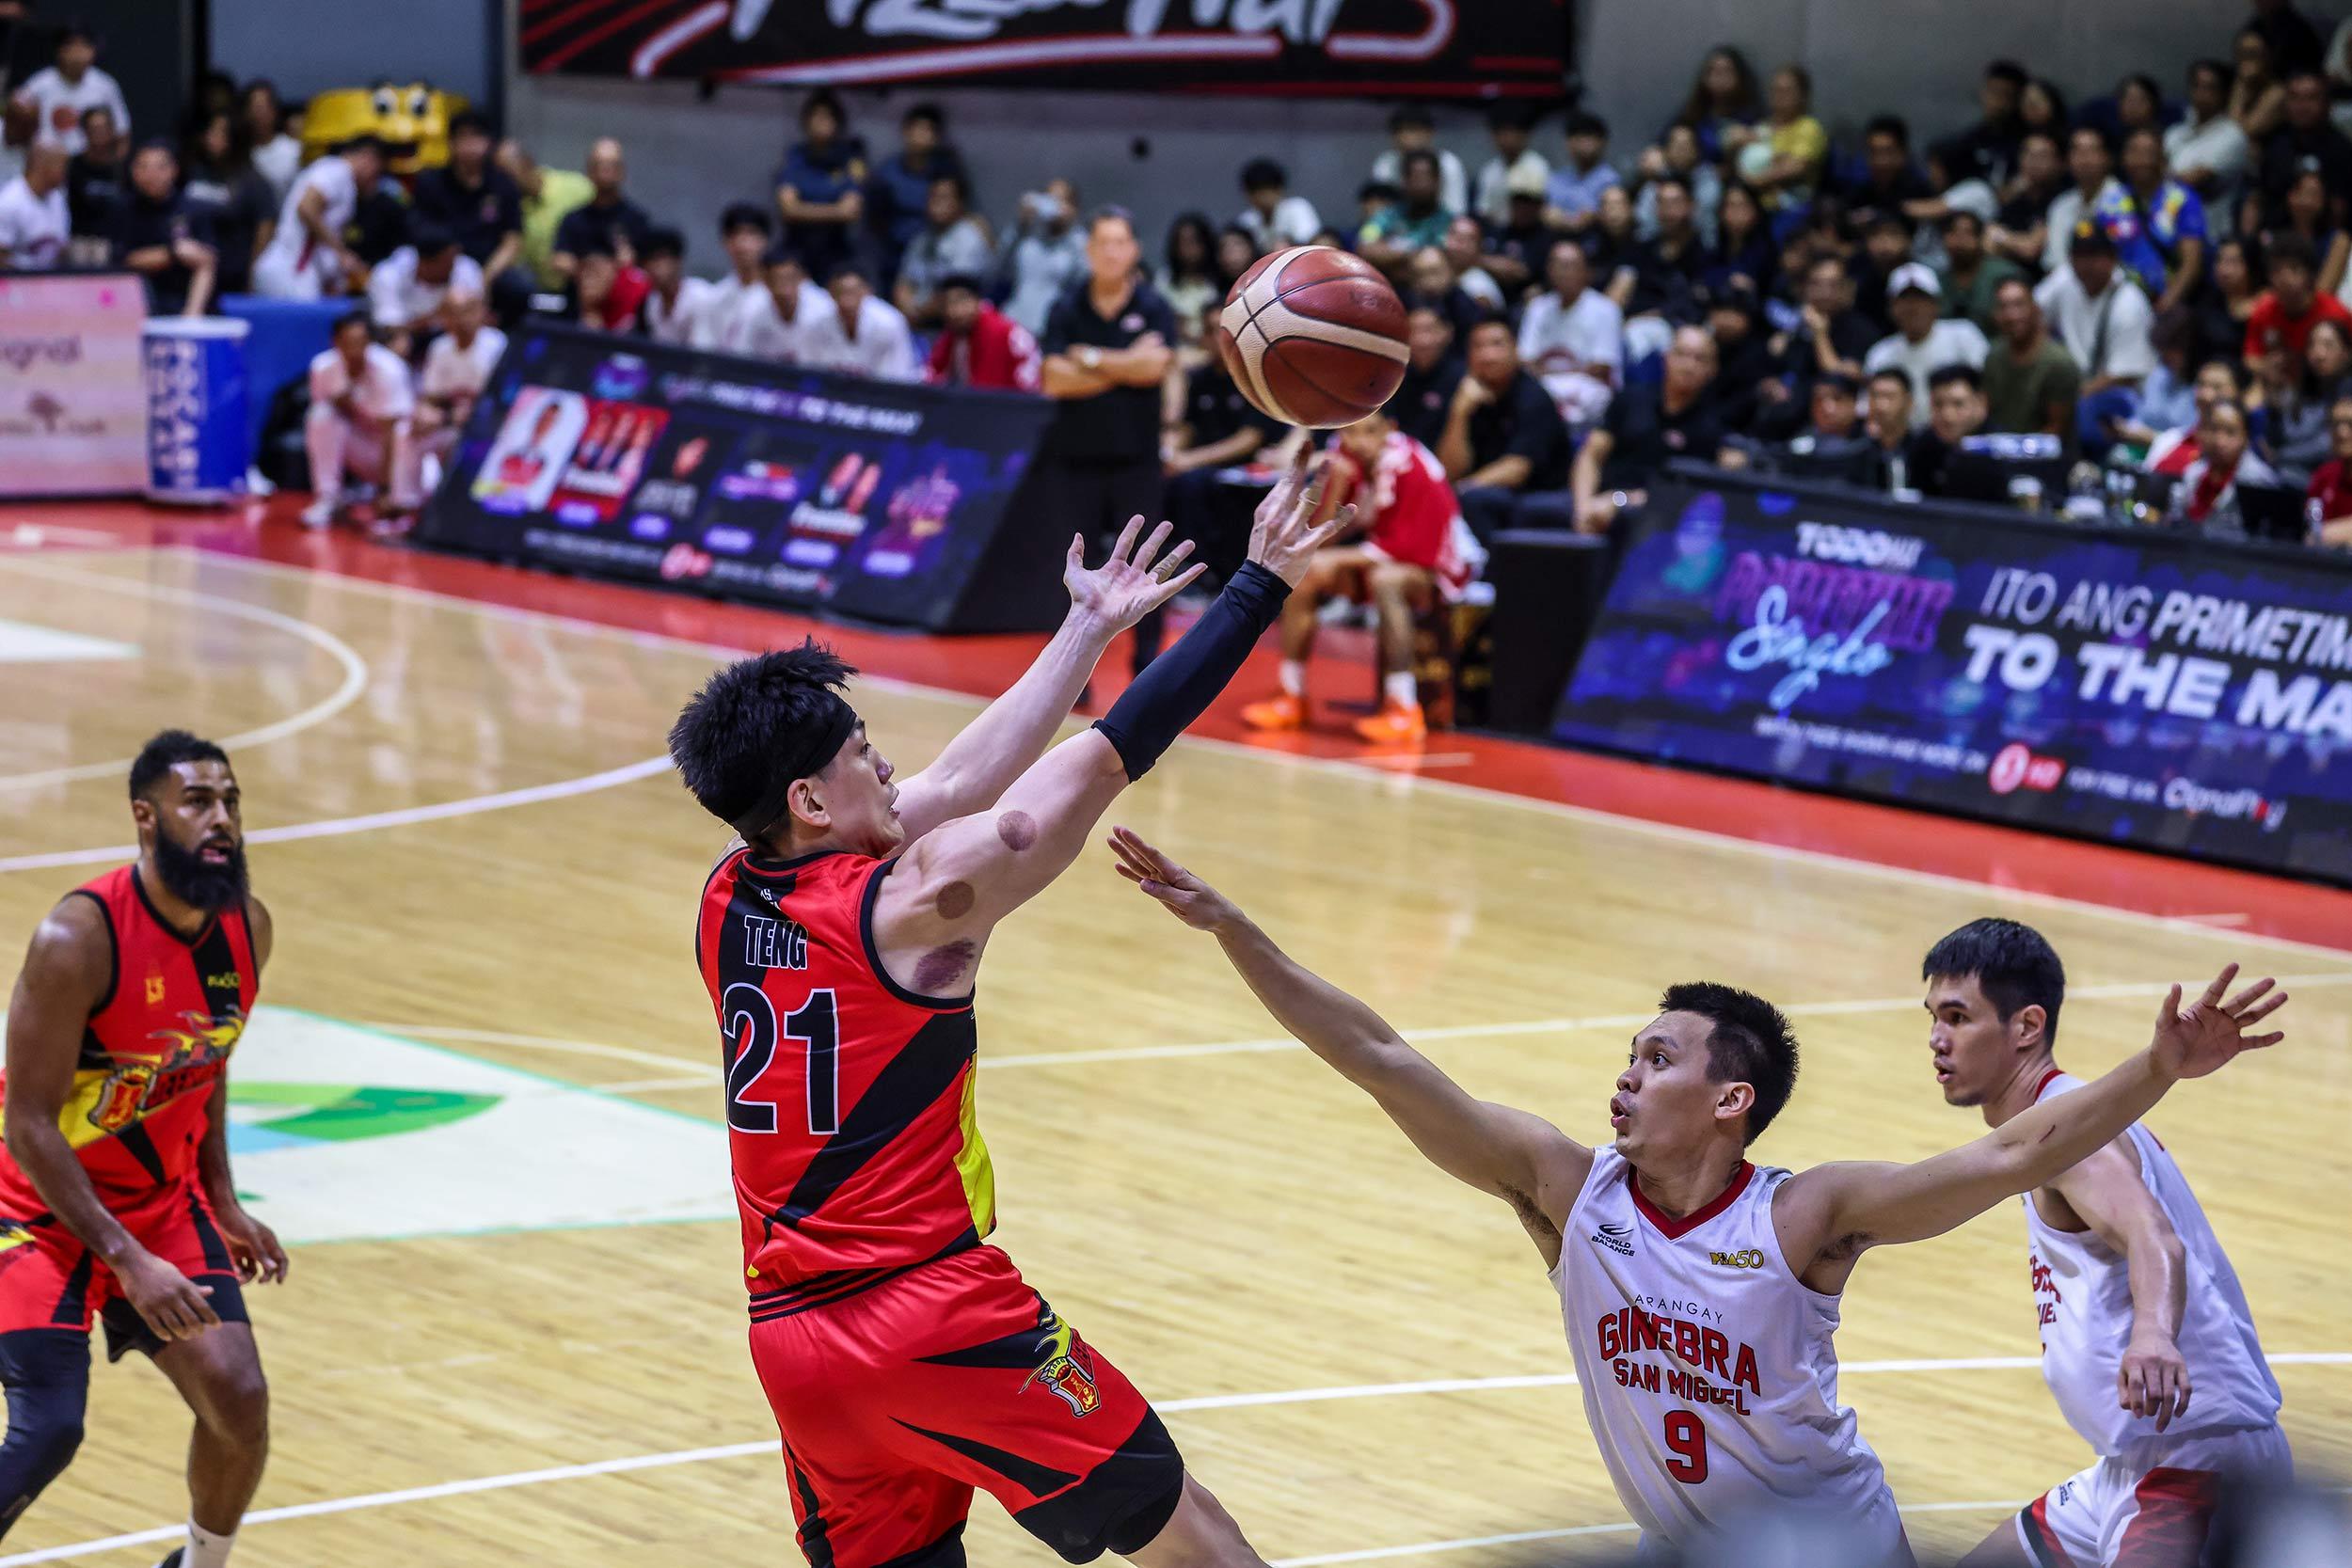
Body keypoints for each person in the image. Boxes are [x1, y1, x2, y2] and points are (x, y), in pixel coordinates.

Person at [1104, 831, 2287, 1566]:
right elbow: (1379, 1056)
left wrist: (2154, 1068)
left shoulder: (1803, 1215)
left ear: (1731, 1099)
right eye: (1628, 1052)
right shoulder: (1569, 1191)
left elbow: (2006, 1159)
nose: (1626, 1072)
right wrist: (1235, 931)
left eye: (1658, 1056)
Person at [667, 456, 1342, 1568]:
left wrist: (1086, 628)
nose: (888, 762)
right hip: (933, 1312)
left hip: (793, 1343)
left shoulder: (726, 892)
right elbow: (1102, 761)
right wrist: (1255, 587)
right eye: (860, 753)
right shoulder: (912, 905)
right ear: (809, 798)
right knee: (1204, 1547)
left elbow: (954, 780)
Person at [1920, 921, 2291, 1568]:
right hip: (2127, 1469)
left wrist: (2153, 1334)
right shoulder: (2060, 1118)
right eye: (1933, 1017)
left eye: (1958, 1017)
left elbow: (2152, 1234)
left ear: (2027, 1026)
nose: (1936, 1038)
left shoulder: (2067, 1134)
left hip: (2196, 1464)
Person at [0, 731, 287, 1562]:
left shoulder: (247, 929)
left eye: (230, 801)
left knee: (238, 1398)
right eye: (197, 801)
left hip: (157, 1205)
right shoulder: (77, 938)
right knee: (49, 1429)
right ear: (145, 816)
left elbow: (208, 1061)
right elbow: (28, 1123)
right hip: (32, 1207)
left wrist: (223, 1198)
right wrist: (127, 1259)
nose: (221, 818)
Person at [1240, 412, 1474, 744]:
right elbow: (1318, 538)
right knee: (1307, 573)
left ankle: (1403, 708)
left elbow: (1411, 548)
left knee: (1386, 581)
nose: (1359, 441)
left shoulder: (1410, 465)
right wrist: (1337, 484)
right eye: (1350, 432)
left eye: (1369, 432)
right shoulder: (1347, 460)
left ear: (1390, 430)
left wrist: (1335, 558)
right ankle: (1291, 695)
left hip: (1441, 568)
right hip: (1386, 560)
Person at [1039, 208, 1180, 675]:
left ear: (1134, 250)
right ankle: (1068, 673)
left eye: (1120, 243)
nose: (1111, 252)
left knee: (1145, 565)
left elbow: (1155, 368)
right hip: (1074, 460)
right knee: (1072, 570)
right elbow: (1053, 378)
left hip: (1136, 461)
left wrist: (1092, 359)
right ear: (1089, 250)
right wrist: (1125, 366)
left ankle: (1148, 669)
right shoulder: (1066, 306)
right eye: (1103, 243)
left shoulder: (1154, 306)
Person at [1570, 325, 1734, 537]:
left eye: (1700, 359)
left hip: (1653, 513)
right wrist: (1583, 508)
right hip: (1598, 500)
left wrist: (1620, 501)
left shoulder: (1711, 427)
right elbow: (1591, 456)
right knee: (1542, 512)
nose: (1688, 366)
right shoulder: (1630, 399)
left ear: (1712, 370)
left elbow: (1687, 494)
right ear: (1666, 358)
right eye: (1682, 354)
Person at [1438, 316, 1573, 541]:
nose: (1487, 355)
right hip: (1485, 490)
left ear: (1516, 350)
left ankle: (1484, 564)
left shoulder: (1534, 397)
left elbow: (1517, 469)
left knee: (1474, 500)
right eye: (1478, 346)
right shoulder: (1466, 395)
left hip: (1536, 492)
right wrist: (1459, 414)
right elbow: (1450, 470)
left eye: (1497, 344)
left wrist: (1460, 490)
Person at [301, 311, 415, 529]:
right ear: (335, 342)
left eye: (360, 342)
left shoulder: (389, 370)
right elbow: (332, 427)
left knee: (402, 433)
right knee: (321, 416)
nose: (354, 350)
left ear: (370, 343)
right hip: (359, 447)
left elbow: (391, 434)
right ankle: (328, 497)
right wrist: (346, 402)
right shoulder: (322, 367)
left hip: (398, 455)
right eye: (348, 342)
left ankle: (396, 497)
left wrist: (385, 490)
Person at [410, 109, 526, 318]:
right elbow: (421, 231)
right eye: (463, 138)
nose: (471, 145)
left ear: (489, 142)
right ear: (451, 142)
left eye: (477, 137)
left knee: (519, 287)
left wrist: (485, 277)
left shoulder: (503, 184)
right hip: (443, 263)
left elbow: (512, 240)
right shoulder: (431, 182)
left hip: (488, 267)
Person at [401, 287, 505, 515]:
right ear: (443, 318)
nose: (461, 319)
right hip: (451, 424)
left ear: (482, 312)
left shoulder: (498, 346)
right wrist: (424, 413)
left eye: (467, 311)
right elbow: (432, 396)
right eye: (452, 313)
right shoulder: (440, 347)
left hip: (491, 429)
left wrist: (453, 414)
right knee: (407, 431)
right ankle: (406, 506)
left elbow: (501, 401)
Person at [250, 135, 384, 301]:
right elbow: (306, 208)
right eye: (378, 172)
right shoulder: (336, 170)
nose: (375, 181)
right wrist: (341, 252)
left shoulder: (343, 178)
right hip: (290, 271)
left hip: (296, 272)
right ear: (368, 158)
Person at [2037, 230, 2157, 406]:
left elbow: (2124, 376)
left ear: (2112, 259)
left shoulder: (2129, 304)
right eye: (2079, 256)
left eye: (2093, 257)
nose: (2085, 265)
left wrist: (2069, 399)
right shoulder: (2065, 278)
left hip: (2121, 397)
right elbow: (2032, 314)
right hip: (2076, 382)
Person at [1517, 240, 1623, 430]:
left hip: (1586, 388)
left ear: (1586, 272)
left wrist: (1553, 375)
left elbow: (1601, 367)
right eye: (1557, 264)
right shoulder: (1537, 307)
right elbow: (1525, 360)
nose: (1563, 272)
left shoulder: (1605, 309)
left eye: (1570, 265)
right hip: (1545, 385)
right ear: (1549, 270)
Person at [1863, 264, 1989, 423]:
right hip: (1905, 436)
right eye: (1904, 300)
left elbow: (1986, 391)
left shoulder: (1964, 335)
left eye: (1921, 299)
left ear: (1937, 303)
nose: (1913, 307)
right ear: (1891, 308)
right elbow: (1867, 410)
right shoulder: (1880, 353)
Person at [109, 141, 215, 319]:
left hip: (184, 300)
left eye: (160, 167)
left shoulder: (194, 210)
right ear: (133, 171)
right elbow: (124, 260)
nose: (152, 175)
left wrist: (190, 318)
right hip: (135, 302)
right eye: (144, 167)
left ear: (174, 170)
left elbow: (207, 260)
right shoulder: (122, 209)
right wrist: (172, 253)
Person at [866, 102, 965, 290]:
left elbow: (960, 206)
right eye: (917, 128)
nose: (921, 136)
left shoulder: (945, 171)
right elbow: (875, 217)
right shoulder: (887, 173)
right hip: (894, 252)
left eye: (928, 130)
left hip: (935, 252)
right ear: (905, 131)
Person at [2109, 128, 2207, 315]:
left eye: (2149, 152)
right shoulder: (2110, 201)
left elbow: (2192, 264)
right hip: (2120, 303)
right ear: (2124, 159)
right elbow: (2101, 256)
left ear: (2162, 158)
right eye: (2135, 152)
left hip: (2167, 302)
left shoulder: (2182, 199)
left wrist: (2164, 306)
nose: (2142, 160)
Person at [2246, 69, 2352, 238]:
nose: (2302, 106)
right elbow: (2256, 200)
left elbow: (2339, 210)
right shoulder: (2273, 144)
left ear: (2327, 104)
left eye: (2311, 98)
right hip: (2272, 237)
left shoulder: (2342, 150)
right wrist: (2247, 242)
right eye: (2295, 98)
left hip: (2322, 241)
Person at [178, 110, 273, 299]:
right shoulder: (197, 172)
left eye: (218, 132)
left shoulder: (253, 182)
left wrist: (251, 277)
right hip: (189, 273)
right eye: (210, 131)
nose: (210, 137)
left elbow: (264, 231)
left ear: (235, 139)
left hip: (232, 276)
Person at [774, 90, 865, 283]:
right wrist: (835, 210)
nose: (821, 122)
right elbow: (788, 209)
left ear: (838, 122)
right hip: (798, 248)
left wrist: (803, 209)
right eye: (816, 116)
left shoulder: (850, 159)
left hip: (836, 251)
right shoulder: (795, 156)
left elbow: (851, 211)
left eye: (828, 116)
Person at [1982, 277, 2084, 439]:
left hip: (2046, 450)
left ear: (2035, 309)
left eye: (2019, 305)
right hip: (1999, 444)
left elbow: (2056, 428)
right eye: (2003, 307)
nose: (2011, 315)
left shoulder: (2059, 363)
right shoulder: (1993, 356)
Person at [2167, 397, 2280, 538]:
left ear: (2246, 437)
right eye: (2213, 429)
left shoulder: (2259, 480)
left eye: (2230, 432)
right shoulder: (2193, 472)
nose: (2219, 441)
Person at [8, 24, 126, 156]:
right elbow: (15, 122)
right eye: (71, 46)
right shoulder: (39, 83)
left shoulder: (106, 85)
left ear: (94, 51)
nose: (78, 53)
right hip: (43, 158)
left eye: (84, 46)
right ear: (59, 50)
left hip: (86, 162)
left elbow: (122, 133)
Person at [894, 174, 993, 331]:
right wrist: (907, 309)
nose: (936, 204)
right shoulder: (922, 239)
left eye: (944, 198)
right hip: (916, 323)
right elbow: (903, 283)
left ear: (959, 203)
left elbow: (956, 294)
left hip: (956, 327)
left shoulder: (969, 239)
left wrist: (918, 312)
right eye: (933, 197)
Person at [497, 138, 593, 293]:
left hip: (586, 286)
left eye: (507, 174)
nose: (505, 182)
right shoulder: (515, 211)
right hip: (547, 292)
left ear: (526, 163)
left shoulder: (575, 187)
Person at [2243, 230, 2352, 366]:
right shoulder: (2263, 311)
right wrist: (2266, 367)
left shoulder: (2336, 314)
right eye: (2277, 270)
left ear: (2310, 274)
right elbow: (2251, 358)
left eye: (2294, 269)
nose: (2285, 279)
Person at [551, 137, 651, 279]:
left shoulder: (638, 220)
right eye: (599, 165)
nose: (606, 171)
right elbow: (559, 259)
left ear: (622, 170)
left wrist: (627, 264)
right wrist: (591, 269)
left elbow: (648, 267)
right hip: (581, 292)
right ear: (589, 171)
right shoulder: (573, 220)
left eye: (612, 165)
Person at [924, 275, 1041, 393]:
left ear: (978, 301)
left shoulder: (1000, 332)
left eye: (962, 301)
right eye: (947, 304)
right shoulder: (955, 332)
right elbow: (932, 375)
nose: (954, 311)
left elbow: (986, 392)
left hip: (1018, 400)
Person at [1002, 178, 1089, 337]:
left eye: (1061, 200)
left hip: (1053, 327)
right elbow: (1000, 267)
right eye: (1049, 199)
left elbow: (1086, 280)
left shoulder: (1078, 240)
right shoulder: (1028, 235)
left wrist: (1069, 226)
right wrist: (1021, 225)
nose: (1054, 205)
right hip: (1015, 321)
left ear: (1074, 208)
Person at [805, 261, 917, 381]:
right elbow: (813, 372)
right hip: (833, 389)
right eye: (840, 292)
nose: (846, 301)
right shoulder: (819, 322)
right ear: (830, 293)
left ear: (867, 291)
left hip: (882, 389)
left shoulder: (888, 323)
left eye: (852, 292)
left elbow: (897, 377)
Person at [366, 223, 483, 338]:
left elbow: (478, 317)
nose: (453, 266)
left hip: (452, 337)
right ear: (424, 264)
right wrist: (436, 317)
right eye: (448, 263)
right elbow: (389, 329)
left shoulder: (466, 268)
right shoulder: (388, 275)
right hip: (408, 339)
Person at [1931, 58, 2028, 191]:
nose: (1998, 102)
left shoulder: (2026, 142)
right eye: (1993, 92)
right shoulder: (1971, 140)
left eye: (2006, 95)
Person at [2168, 59, 2253, 208]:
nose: (2201, 94)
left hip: (2207, 218)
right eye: (2196, 86)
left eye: (2209, 88)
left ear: (2224, 94)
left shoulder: (2233, 136)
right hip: (2166, 214)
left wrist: (2154, 175)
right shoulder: (2174, 132)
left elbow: (2190, 182)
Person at [696, 203, 779, 355]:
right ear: (725, 242)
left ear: (765, 240)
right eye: (735, 235)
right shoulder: (716, 295)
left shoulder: (782, 295)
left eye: (751, 234)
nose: (742, 244)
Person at [1661, 45, 1760, 166]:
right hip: (1695, 173)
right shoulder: (1695, 112)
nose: (1720, 78)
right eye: (1714, 71)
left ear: (1739, 77)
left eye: (1727, 71)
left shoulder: (1751, 115)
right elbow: (1664, 141)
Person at [1745, 63, 1827, 209]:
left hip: (1791, 207)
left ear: (1803, 95)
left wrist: (1756, 181)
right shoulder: (1762, 127)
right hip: (1753, 206)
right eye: (1776, 90)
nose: (1780, 96)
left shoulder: (1809, 127)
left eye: (1787, 90)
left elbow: (1796, 167)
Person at [1360, 150, 1454, 275]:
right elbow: (1365, 247)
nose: (1421, 184)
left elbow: (1437, 262)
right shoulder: (1386, 216)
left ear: (1438, 181)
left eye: (1426, 177)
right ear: (1404, 181)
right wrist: (1411, 255)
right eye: (1415, 178)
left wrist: (1388, 252)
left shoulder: (1450, 223)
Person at [1987, 131, 2069, 273]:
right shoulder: (2016, 199)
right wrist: (2017, 242)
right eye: (2029, 155)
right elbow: (1988, 243)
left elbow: (2031, 249)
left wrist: (2003, 238)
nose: (2034, 162)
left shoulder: (2063, 199)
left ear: (2058, 163)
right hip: (2011, 273)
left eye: (2042, 156)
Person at [1388, 300, 1464, 451]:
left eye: (1429, 330)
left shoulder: (1463, 378)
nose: (1422, 341)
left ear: (1448, 332)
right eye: (1413, 331)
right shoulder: (1393, 375)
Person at [742, 245, 838, 365]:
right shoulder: (752, 307)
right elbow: (742, 357)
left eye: (789, 279)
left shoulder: (824, 309)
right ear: (764, 280)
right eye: (776, 280)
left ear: (803, 278)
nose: (783, 289)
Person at [1370, 104, 1469, 220]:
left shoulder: (1449, 164)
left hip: (1440, 226)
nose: (1406, 138)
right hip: (1396, 225)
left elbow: (1457, 212)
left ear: (1429, 133)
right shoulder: (1385, 164)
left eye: (1413, 130)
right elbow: (1379, 210)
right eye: (1400, 131)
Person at [1909, 364, 1990, 496]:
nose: (1947, 416)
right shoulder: (1923, 447)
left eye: (1958, 404)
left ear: (1980, 403)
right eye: (1938, 404)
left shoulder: (2000, 449)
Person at [1939, 210, 2025, 334]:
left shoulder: (2003, 274)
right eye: (1953, 233)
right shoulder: (1936, 280)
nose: (1960, 241)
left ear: (1979, 239)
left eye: (1967, 233)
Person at [1544, 111, 1619, 235]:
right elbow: (1548, 211)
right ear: (1568, 143)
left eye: (1590, 137)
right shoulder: (1557, 178)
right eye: (1578, 137)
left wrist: (1595, 216)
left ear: (1603, 142)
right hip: (1557, 238)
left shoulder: (1611, 179)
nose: (1584, 144)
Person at [1473, 104, 1549, 227]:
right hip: (1497, 231)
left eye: (1511, 132)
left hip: (1529, 230)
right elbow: (1483, 210)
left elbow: (1540, 211)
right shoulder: (1489, 170)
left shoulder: (1537, 166)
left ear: (1524, 135)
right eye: (1501, 133)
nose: (1506, 139)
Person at [629, 229, 704, 345]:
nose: (653, 267)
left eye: (659, 259)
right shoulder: (651, 304)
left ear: (677, 260)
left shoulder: (700, 296)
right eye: (646, 262)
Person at [1154, 214, 1220, 345]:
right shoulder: (1164, 279)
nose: (1188, 249)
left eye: (1193, 242)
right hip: (1175, 348)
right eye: (1182, 243)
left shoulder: (1219, 277)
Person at [64, 105, 129, 239]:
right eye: (93, 128)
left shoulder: (124, 166)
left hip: (118, 238)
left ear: (112, 130)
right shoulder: (73, 165)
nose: (99, 133)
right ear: (84, 131)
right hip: (81, 239)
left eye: (103, 128)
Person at [0, 142, 67, 269]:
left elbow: (61, 248)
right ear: (41, 164)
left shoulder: (57, 199)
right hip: (17, 279)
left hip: (52, 278)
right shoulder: (9, 201)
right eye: (62, 165)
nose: (65, 172)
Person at [1233, 156, 1319, 251]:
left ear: (1280, 190)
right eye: (1257, 192)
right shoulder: (1246, 221)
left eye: (1267, 191)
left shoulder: (1298, 208)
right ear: (1248, 195)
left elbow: (1311, 244)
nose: (1263, 198)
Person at [2301, 392, 2352, 545]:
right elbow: (2306, 527)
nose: (2342, 433)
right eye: (2335, 424)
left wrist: (2322, 535)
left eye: (2351, 424)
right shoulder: (2324, 474)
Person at [239, 81, 299, 203]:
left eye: (262, 107)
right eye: (253, 107)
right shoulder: (238, 152)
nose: (258, 114)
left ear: (274, 111)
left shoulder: (294, 151)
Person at [1864, 369, 1915, 484]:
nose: (1880, 405)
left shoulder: (1924, 450)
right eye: (1875, 396)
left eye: (1889, 397)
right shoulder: (1860, 449)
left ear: (1909, 402)